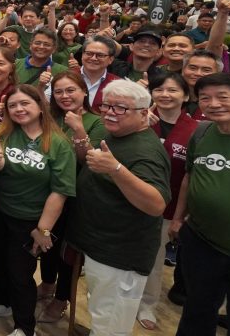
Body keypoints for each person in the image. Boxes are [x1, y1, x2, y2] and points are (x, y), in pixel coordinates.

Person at [69, 80, 171, 335]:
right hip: (100, 246)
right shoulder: (111, 133)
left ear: (143, 114)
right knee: (100, 309)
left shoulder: (147, 151)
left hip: (120, 255)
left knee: (111, 321)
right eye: (107, 106)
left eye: (121, 108)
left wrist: (116, 169)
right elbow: (92, 161)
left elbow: (156, 203)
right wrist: (82, 134)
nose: (110, 112)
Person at [0, 84, 76, 336]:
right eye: (12, 106)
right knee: (0, 261)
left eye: (24, 104)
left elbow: (59, 192)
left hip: (30, 220)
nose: (18, 109)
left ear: (40, 106)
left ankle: (24, 326)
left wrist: (43, 229)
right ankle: (0, 302)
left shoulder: (59, 144)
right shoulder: (5, 133)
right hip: (0, 212)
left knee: (21, 273)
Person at [172, 73, 230, 335]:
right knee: (197, 310)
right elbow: (189, 177)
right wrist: (178, 218)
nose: (213, 104)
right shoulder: (202, 132)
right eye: (205, 98)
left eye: (223, 97)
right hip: (202, 242)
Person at [137, 72, 196, 330]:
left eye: (172, 90)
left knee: (155, 256)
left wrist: (180, 216)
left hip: (168, 207)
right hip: (131, 201)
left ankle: (147, 303)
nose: (165, 95)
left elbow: (191, 177)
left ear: (185, 95)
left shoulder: (197, 130)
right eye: (159, 89)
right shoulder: (139, 120)